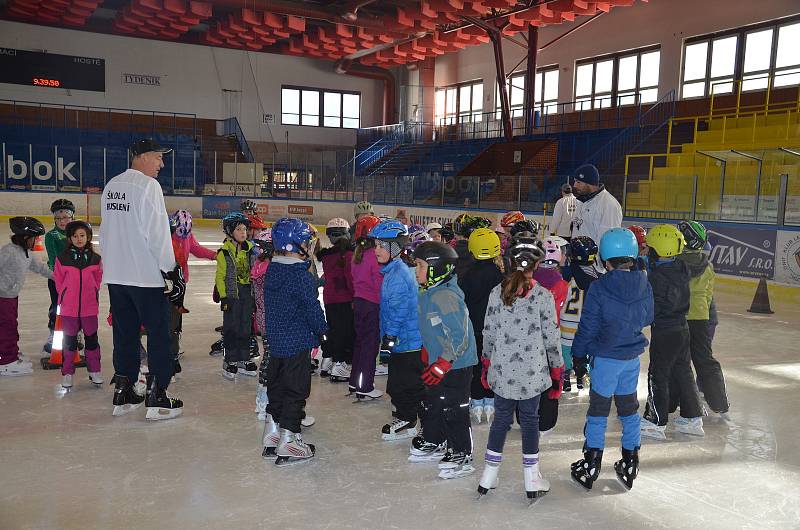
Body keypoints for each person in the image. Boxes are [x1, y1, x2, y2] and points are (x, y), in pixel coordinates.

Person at [101, 138, 184, 420]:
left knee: (125, 332)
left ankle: (124, 389)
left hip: (117, 275)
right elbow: (158, 234)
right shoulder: (148, 186)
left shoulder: (112, 185)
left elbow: (107, 232)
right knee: (160, 334)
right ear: (142, 156)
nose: (161, 164)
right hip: (145, 277)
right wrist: (171, 271)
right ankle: (157, 395)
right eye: (158, 158)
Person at [476, 237, 562, 503]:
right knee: (530, 420)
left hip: (502, 371)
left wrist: (486, 363)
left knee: (501, 419)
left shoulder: (496, 292)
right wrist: (557, 370)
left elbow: (487, 332)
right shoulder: (542, 296)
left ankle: (488, 475)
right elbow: (552, 337)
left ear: (511, 262)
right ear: (536, 265)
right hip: (532, 374)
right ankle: (531, 477)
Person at [569, 228, 654, 491]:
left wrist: (578, 355)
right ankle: (630, 461)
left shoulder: (599, 286)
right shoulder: (644, 281)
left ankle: (592, 463)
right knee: (628, 410)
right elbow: (648, 317)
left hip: (605, 359)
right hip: (631, 359)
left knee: (598, 411)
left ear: (605, 259)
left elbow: (589, 325)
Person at [261, 218, 327, 466]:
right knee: (296, 389)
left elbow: (290, 297)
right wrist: (323, 331)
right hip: (297, 342)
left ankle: (273, 432)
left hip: (276, 342)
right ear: (296, 245)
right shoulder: (300, 275)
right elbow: (311, 307)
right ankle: (289, 438)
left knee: (277, 386)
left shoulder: (273, 270)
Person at [411, 241, 478, 479]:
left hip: (457, 363)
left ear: (436, 269)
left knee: (454, 407)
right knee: (433, 401)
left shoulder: (446, 296)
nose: (415, 271)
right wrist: (428, 353)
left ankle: (462, 452)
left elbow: (461, 336)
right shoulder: (427, 293)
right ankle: (435, 439)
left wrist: (444, 362)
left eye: (419, 266)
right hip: (439, 361)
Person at [641, 224, 704, 439]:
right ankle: (692, 418)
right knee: (683, 372)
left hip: (665, 331)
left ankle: (655, 421)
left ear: (656, 250)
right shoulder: (682, 267)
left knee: (658, 374)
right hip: (682, 329)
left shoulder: (655, 276)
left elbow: (650, 300)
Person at [369, 219, 424, 441]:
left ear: (395, 248)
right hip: (403, 340)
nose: (376, 250)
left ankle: (416, 421)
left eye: (382, 246)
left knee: (406, 386)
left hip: (407, 342)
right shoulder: (394, 271)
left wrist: (389, 339)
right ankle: (407, 417)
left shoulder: (399, 275)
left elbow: (400, 311)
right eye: (376, 245)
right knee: (399, 384)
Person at [676, 221, 730, 420]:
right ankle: (720, 403)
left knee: (679, 361)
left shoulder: (675, 264)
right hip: (701, 318)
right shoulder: (708, 266)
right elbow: (707, 296)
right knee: (705, 360)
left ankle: (678, 400)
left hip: (680, 317)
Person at [460, 228, 504, 425]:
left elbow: (462, 301)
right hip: (495, 330)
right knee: (491, 364)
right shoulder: (500, 275)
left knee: (476, 365)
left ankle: (476, 399)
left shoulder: (468, 274)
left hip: (474, 328)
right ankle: (490, 399)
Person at [54, 220, 104, 390]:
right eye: (75, 236)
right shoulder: (62, 258)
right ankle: (67, 373)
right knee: (69, 341)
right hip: (69, 308)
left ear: (88, 237)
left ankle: (95, 370)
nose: (79, 239)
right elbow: (58, 280)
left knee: (91, 339)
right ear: (70, 238)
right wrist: (65, 295)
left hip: (89, 308)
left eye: (82, 235)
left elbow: (98, 278)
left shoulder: (95, 259)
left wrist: (94, 290)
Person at [0, 217, 52, 375]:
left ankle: (11, 353)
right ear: (25, 238)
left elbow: (41, 268)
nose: (36, 242)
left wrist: (61, 278)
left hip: (11, 296)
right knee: (6, 327)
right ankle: (6, 361)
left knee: (11, 325)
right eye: (35, 239)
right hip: (2, 297)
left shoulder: (27, 253)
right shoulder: (9, 251)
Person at [533, 236, 570, 434]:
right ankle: (546, 421)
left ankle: (525, 416)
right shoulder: (562, 285)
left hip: (529, 337)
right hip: (551, 338)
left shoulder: (528, 281)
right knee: (551, 377)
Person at [349, 215, 385, 400]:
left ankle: (355, 381)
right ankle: (365, 386)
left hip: (359, 303)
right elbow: (378, 284)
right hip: (372, 305)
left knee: (360, 343)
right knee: (370, 346)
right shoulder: (374, 257)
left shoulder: (358, 254)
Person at [316, 218, 355, 384]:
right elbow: (350, 279)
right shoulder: (349, 255)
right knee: (346, 333)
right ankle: (341, 363)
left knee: (334, 330)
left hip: (330, 299)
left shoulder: (326, 257)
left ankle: (328, 361)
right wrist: (356, 297)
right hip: (346, 299)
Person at [560, 236, 600, 391]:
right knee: (583, 352)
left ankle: (565, 378)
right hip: (584, 325)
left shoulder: (566, 273)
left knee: (565, 353)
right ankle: (581, 375)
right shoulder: (596, 276)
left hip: (565, 323)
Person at [43, 198, 75, 358]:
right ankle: (53, 335)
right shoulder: (51, 236)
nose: (62, 221)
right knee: (57, 306)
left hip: (76, 280)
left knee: (75, 308)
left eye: (66, 217)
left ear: (72, 217)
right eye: (59, 218)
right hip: (58, 278)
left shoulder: (77, 233)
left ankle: (75, 334)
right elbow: (54, 258)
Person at [570, 164, 623, 245]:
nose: (574, 185)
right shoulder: (581, 200)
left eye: (578, 182)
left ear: (589, 183)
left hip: (595, 257)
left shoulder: (609, 204)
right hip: (577, 255)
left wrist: (595, 257)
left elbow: (608, 240)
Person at [251, 229, 273, 421]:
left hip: (263, 320)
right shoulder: (270, 271)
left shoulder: (259, 265)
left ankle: (263, 397)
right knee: (271, 359)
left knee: (268, 356)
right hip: (272, 321)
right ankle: (264, 399)